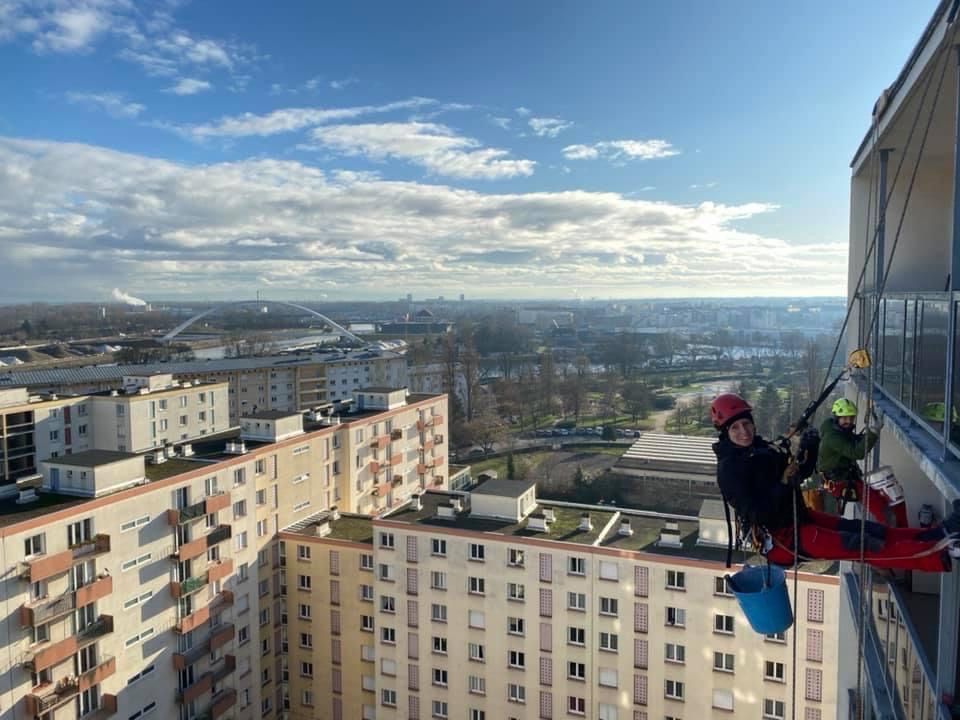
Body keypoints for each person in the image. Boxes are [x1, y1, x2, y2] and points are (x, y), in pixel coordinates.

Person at [711, 393, 960, 572]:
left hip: (799, 519)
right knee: (865, 545)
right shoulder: (730, 471)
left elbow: (800, 474)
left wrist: (810, 445)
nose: (744, 431)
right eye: (735, 428)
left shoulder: (760, 449)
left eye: (746, 424)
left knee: (870, 531)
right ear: (725, 432)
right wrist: (785, 483)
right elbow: (758, 511)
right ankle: (943, 553)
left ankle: (939, 534)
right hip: (783, 539)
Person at [817, 398, 908, 526]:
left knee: (887, 496)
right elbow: (857, 453)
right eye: (844, 418)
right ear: (836, 417)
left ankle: (896, 529)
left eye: (851, 418)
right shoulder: (833, 438)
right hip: (840, 482)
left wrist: (867, 435)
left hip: (845, 478)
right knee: (879, 505)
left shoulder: (837, 429)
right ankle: (893, 532)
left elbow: (852, 441)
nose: (848, 421)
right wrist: (873, 432)